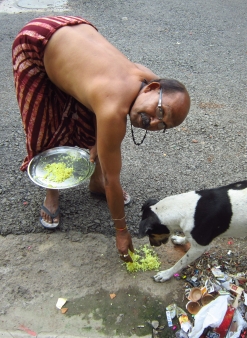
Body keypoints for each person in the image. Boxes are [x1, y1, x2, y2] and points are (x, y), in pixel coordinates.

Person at [12, 16, 191, 262]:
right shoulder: (112, 109)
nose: (155, 123)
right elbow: (112, 178)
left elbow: (106, 122)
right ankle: (51, 193)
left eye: (164, 126)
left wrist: (99, 142)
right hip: (36, 41)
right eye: (161, 112)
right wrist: (121, 232)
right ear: (151, 88)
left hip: (76, 33)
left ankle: (92, 184)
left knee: (90, 121)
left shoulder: (149, 82)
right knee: (44, 121)